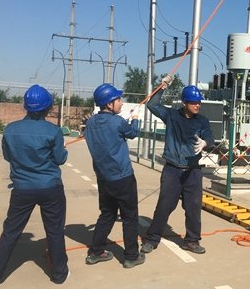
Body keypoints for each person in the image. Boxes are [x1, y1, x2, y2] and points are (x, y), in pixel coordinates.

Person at [0, 85, 68, 289]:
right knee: (55, 231)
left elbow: (8, 156)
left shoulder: (11, 129)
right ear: (48, 107)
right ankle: (59, 274)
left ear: (26, 106)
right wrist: (61, 152)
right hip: (50, 188)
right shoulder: (53, 131)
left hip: (22, 188)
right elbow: (60, 159)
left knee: (10, 232)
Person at [141, 79, 214, 255]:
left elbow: (210, 137)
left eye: (199, 102)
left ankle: (192, 241)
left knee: (193, 208)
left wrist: (205, 142)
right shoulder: (171, 116)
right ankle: (152, 239)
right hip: (172, 170)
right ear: (184, 103)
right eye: (194, 102)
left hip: (193, 171)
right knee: (164, 206)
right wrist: (162, 87)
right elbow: (152, 105)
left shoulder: (202, 121)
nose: (197, 105)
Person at [83, 83, 144, 269]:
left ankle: (95, 252)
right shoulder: (117, 122)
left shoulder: (91, 123)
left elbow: (109, 129)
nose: (121, 103)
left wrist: (124, 120)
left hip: (104, 178)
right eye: (118, 100)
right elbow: (133, 133)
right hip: (123, 177)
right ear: (109, 104)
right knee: (129, 217)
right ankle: (131, 256)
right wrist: (135, 118)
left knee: (107, 214)